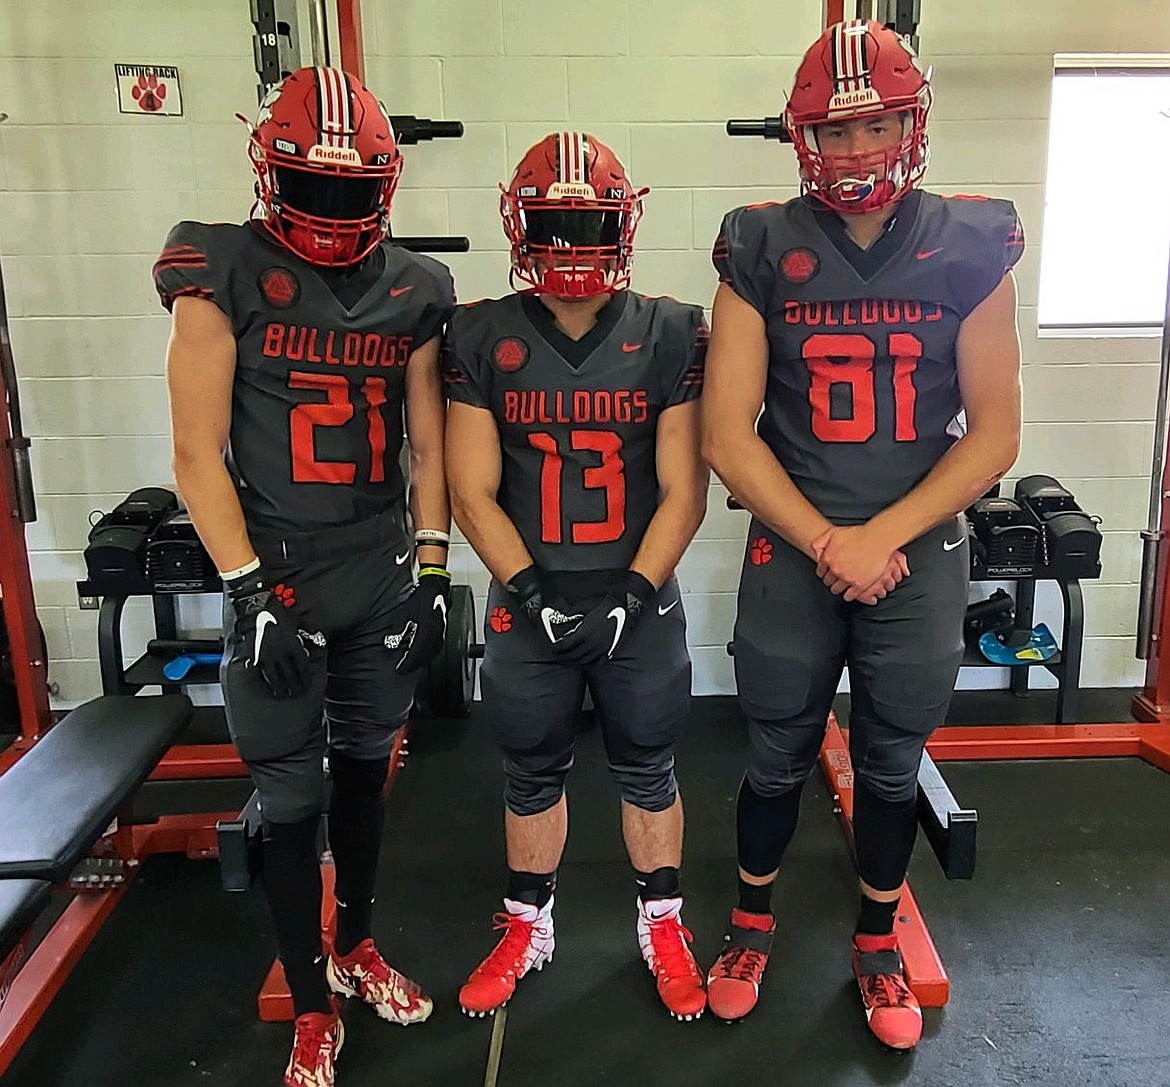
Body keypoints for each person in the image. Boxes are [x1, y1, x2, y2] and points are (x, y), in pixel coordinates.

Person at [701, 20, 1024, 1049]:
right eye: (833, 132)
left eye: (874, 123)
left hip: (915, 546)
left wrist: (880, 532)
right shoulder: (761, 242)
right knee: (777, 750)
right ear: (802, 139)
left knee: (891, 761)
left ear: (910, 121)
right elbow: (725, 431)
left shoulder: (968, 243)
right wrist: (829, 539)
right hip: (800, 544)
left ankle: (878, 943)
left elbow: (996, 434)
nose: (853, 150)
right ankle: (751, 923)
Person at [154, 66, 455, 1087]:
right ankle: (312, 1002)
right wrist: (241, 590)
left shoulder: (415, 287)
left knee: (367, 769)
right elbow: (197, 452)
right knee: (290, 796)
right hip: (273, 572)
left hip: (375, 565)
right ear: (268, 174)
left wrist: (432, 566)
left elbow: (427, 437)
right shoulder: (219, 266)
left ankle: (357, 943)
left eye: (351, 189)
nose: (332, 211)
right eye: (312, 186)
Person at [443, 132, 710, 1021]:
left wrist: (633, 593)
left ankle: (663, 920)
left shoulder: (670, 329)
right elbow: (469, 487)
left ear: (622, 223)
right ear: (523, 229)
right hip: (534, 599)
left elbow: (684, 485)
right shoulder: (480, 333)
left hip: (638, 596)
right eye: (555, 226)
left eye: (589, 223)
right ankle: (529, 923)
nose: (571, 245)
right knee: (530, 772)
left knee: (649, 765)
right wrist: (529, 592)